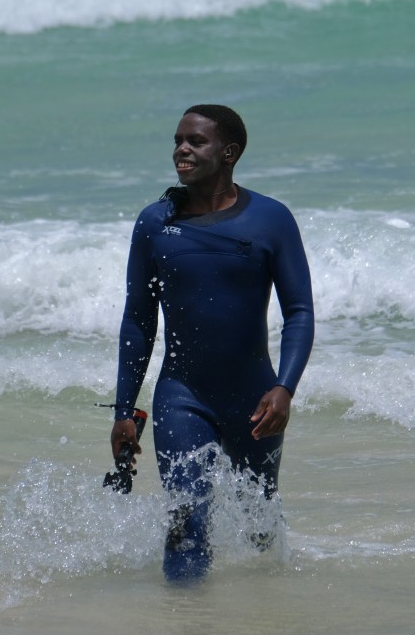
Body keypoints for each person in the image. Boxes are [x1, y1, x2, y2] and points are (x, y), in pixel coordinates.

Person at [110, 104, 314, 580]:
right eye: (178, 140)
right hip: (182, 395)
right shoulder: (154, 224)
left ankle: (263, 626)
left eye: (195, 141)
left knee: (260, 521)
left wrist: (285, 388)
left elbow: (299, 312)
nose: (182, 148)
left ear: (229, 153)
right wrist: (124, 410)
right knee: (184, 522)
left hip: (255, 398)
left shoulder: (271, 219)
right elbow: (138, 321)